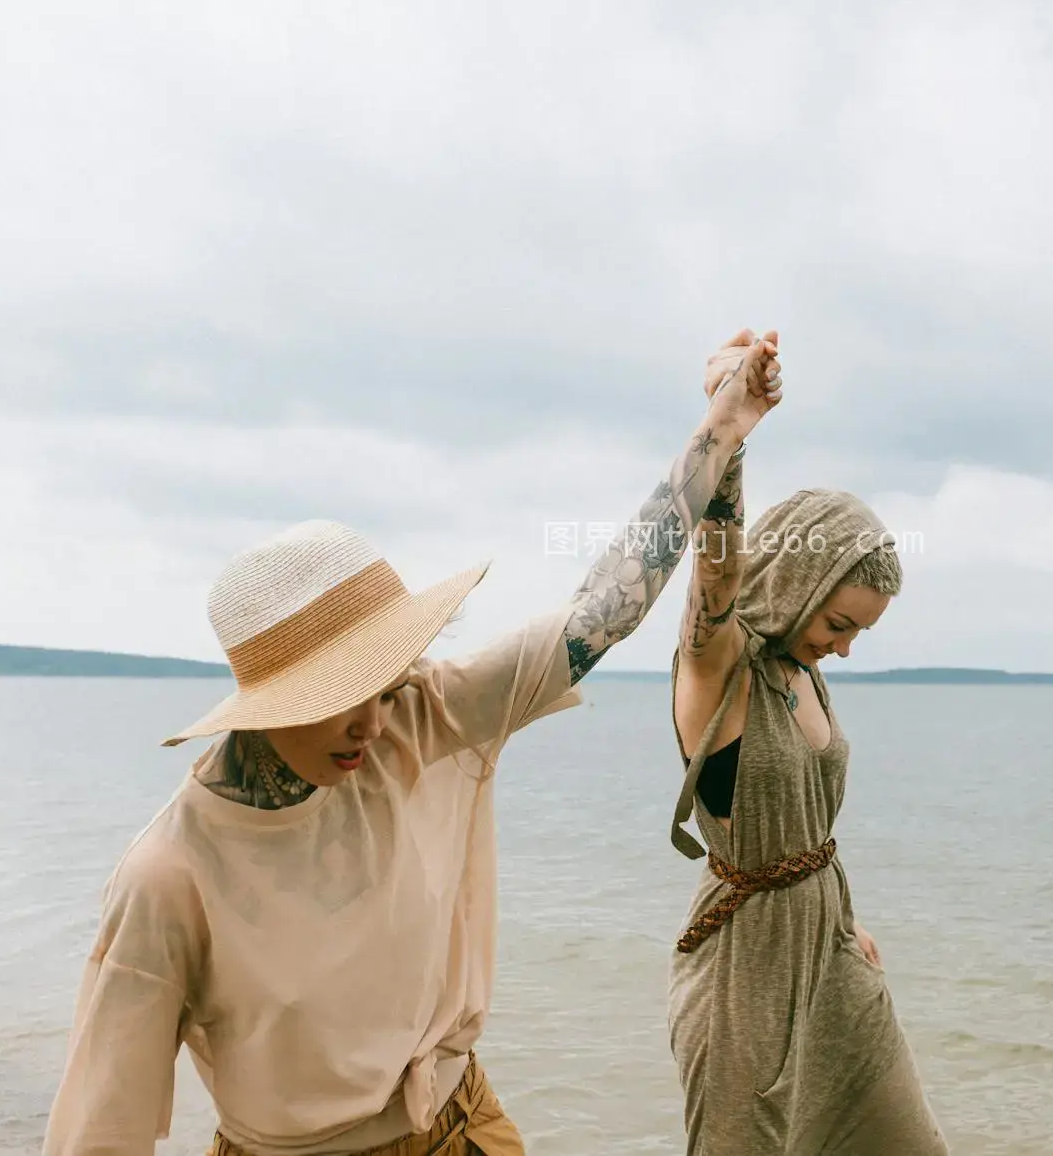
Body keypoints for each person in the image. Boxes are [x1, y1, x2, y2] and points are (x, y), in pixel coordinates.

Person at [41, 332, 782, 1156]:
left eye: (389, 685)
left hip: (466, 1123)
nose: (376, 722)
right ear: (269, 702)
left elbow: (601, 612)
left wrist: (721, 430)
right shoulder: (170, 876)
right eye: (345, 699)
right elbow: (102, 1124)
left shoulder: (424, 717)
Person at [666, 343, 947, 1155]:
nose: (847, 648)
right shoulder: (718, 667)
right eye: (840, 624)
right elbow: (715, 571)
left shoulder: (801, 669)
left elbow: (808, 831)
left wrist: (838, 918)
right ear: (798, 582)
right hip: (744, 977)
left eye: (860, 631)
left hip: (830, 952)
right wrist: (730, 428)